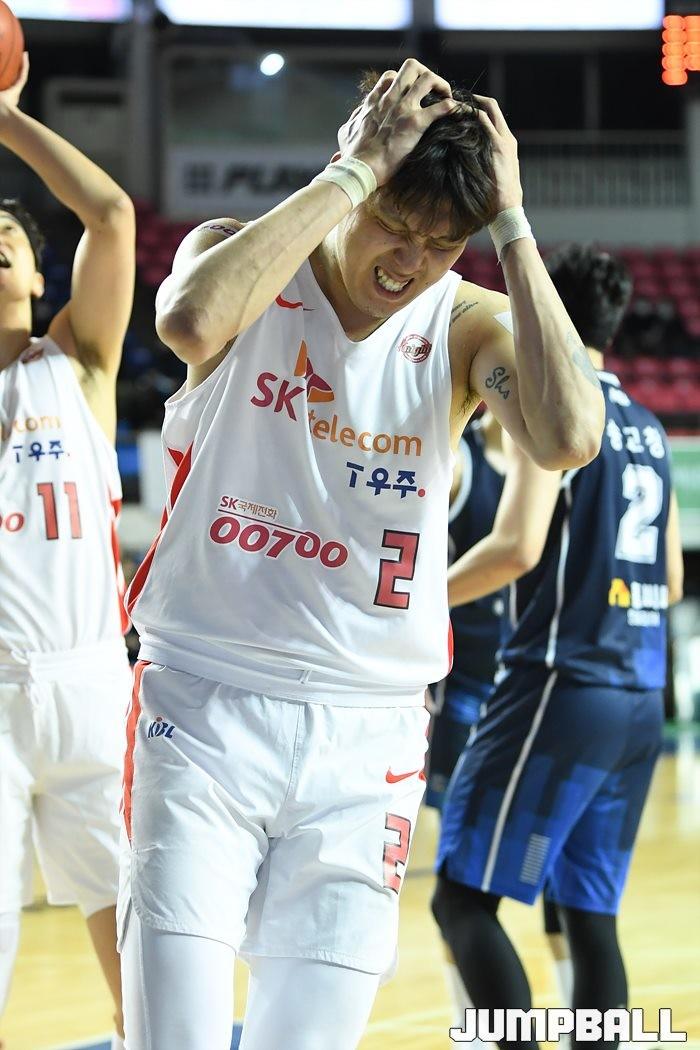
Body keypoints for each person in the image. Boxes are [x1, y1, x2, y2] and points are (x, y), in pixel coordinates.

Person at [122, 60, 604, 1050]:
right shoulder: (241, 258)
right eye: (395, 223)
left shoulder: (465, 322)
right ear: (359, 180)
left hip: (368, 739)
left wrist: (511, 226)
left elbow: (566, 438)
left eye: (442, 241)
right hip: (203, 708)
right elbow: (188, 322)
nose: (408, 261)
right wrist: (352, 171)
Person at [432, 244, 684, 1050]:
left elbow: (517, 547)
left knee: (462, 899)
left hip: (560, 683)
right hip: (639, 697)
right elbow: (672, 576)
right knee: (587, 915)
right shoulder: (649, 426)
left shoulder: (554, 404)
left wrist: (412, 602)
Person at [0, 55, 135, 1050]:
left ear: (41, 276)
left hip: (92, 687)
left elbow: (112, 215)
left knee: (144, 954)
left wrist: (5, 118)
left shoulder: (78, 363)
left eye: (6, 239)